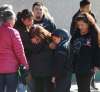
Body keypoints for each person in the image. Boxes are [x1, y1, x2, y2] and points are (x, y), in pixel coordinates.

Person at [70, 0, 98, 89]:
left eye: (82, 25)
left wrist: (96, 65)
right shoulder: (76, 34)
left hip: (89, 66)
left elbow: (97, 50)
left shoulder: (93, 35)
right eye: (79, 25)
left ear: (88, 24)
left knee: (85, 88)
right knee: (80, 87)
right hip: (78, 66)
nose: (80, 27)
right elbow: (72, 48)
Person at [0, 7, 28, 92]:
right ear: (10, 19)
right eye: (14, 19)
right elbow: (19, 51)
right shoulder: (13, 32)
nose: (15, 21)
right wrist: (25, 64)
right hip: (11, 69)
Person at [29, 25, 53, 92]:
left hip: (45, 72)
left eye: (37, 38)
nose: (34, 39)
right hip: (39, 72)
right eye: (33, 37)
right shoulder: (49, 42)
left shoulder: (49, 42)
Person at [14, 9, 33, 92]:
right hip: (21, 61)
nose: (31, 22)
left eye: (32, 20)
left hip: (18, 61)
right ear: (22, 20)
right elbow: (26, 47)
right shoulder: (20, 30)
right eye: (29, 20)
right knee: (22, 83)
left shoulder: (21, 28)